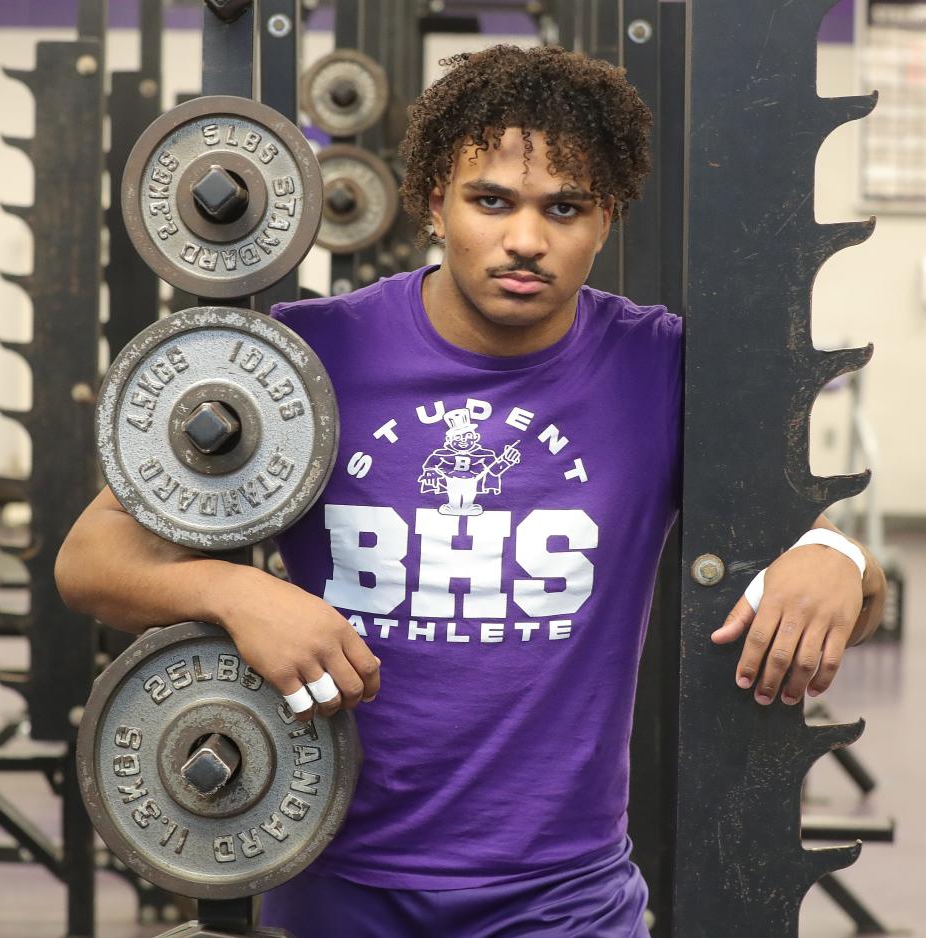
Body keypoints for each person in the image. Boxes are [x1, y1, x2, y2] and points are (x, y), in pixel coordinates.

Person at [56, 44, 886, 938]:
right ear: (432, 206)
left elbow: (835, 577)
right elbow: (91, 559)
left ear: (606, 217)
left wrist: (837, 557)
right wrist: (233, 589)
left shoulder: (665, 368)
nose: (525, 239)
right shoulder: (306, 358)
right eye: (491, 200)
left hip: (561, 896)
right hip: (321, 868)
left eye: (563, 208)